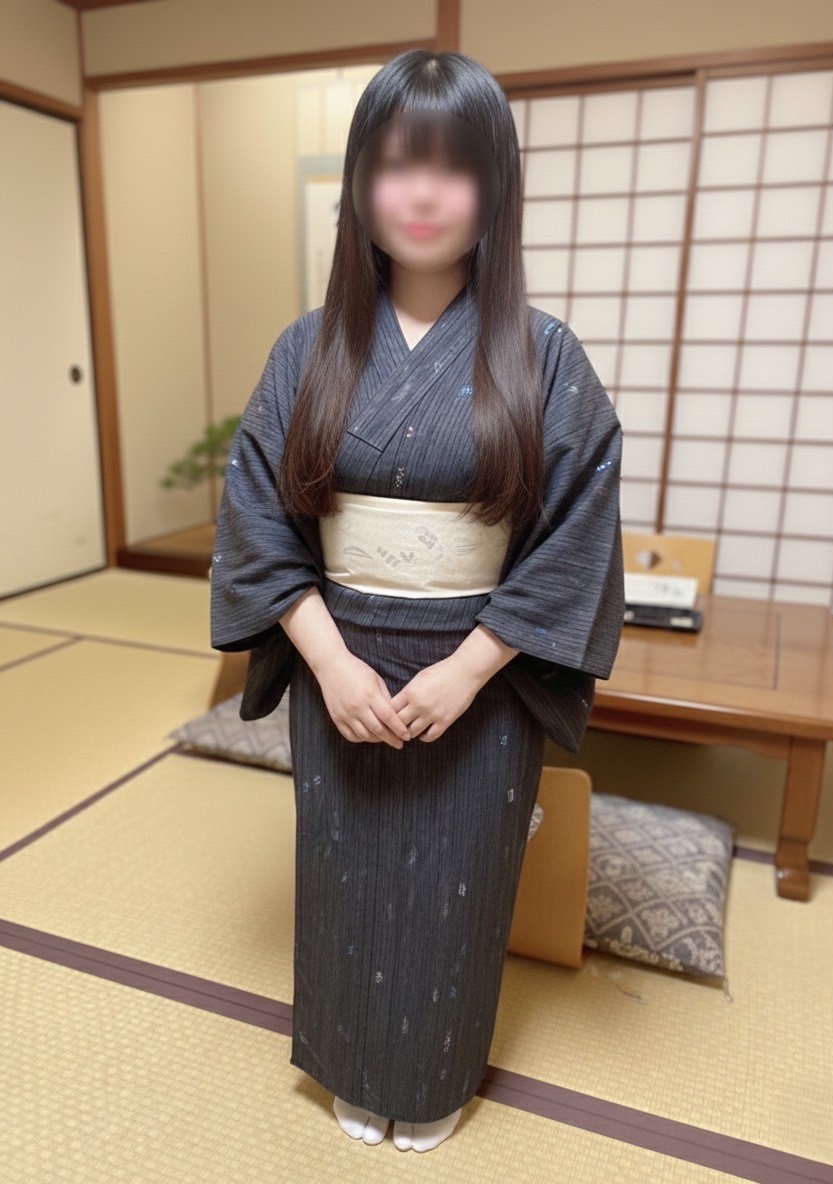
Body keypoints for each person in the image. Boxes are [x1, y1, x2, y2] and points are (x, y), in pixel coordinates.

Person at [210, 48, 625, 1154]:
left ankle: (432, 1074)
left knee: (459, 885)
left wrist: (469, 669)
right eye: (398, 164)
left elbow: (575, 535)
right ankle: (352, 1062)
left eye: (455, 166)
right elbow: (256, 518)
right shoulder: (306, 349)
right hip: (337, 656)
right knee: (343, 873)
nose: (424, 193)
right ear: (361, 182)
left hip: (479, 672)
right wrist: (328, 661)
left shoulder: (546, 357)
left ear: (495, 187)